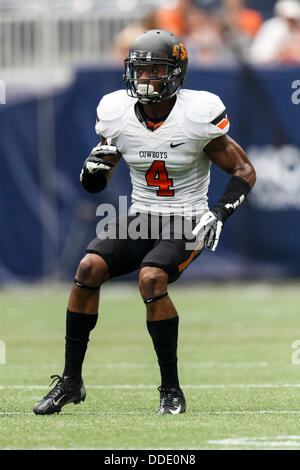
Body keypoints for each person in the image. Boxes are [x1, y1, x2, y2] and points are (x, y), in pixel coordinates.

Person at [33, 29, 256, 415]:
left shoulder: (196, 114)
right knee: (88, 268)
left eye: (156, 69)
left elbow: (244, 169)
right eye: (140, 70)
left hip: (186, 218)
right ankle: (71, 381)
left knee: (151, 278)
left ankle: (171, 391)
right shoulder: (116, 113)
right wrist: (90, 173)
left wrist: (220, 211)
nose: (146, 78)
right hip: (142, 215)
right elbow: (95, 181)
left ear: (176, 73)